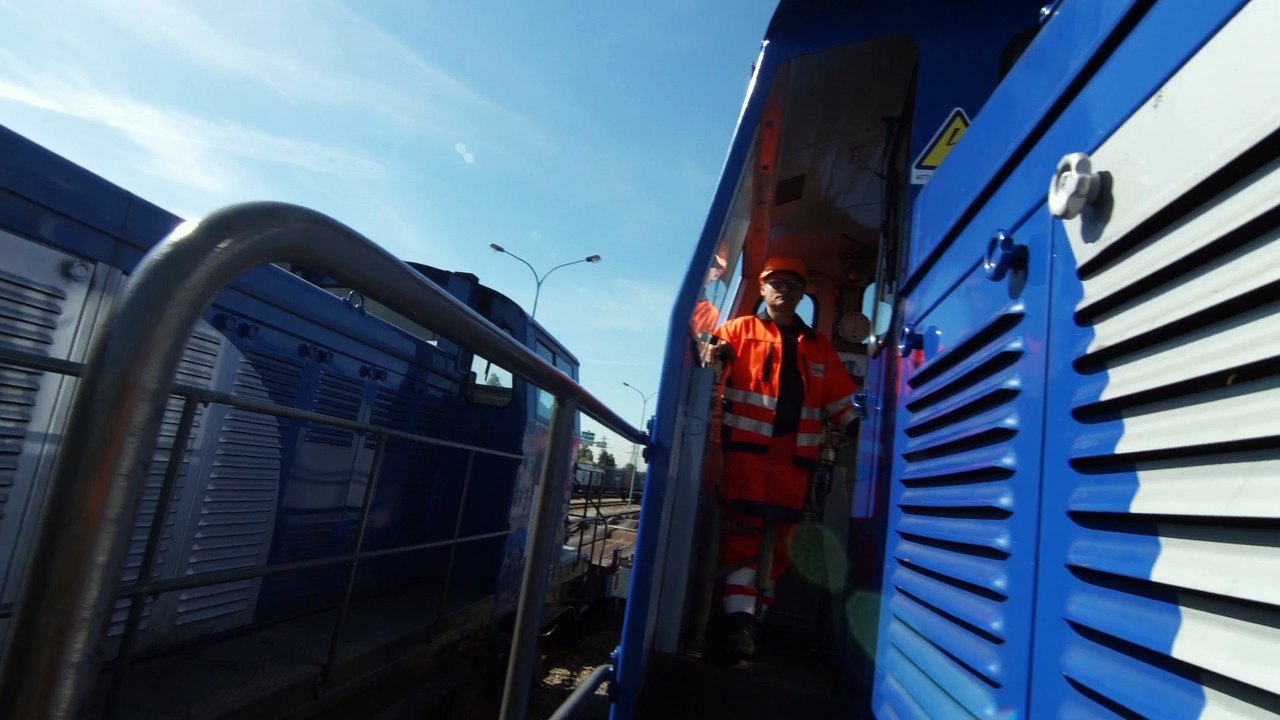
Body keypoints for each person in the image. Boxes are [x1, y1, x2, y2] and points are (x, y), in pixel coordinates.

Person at [703, 255, 859, 660]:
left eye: (792, 284)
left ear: (803, 292)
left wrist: (859, 426)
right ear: (762, 288)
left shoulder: (819, 346)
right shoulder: (737, 331)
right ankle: (738, 622)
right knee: (744, 532)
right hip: (748, 453)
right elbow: (710, 367)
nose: (783, 290)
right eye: (776, 283)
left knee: (782, 541)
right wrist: (713, 355)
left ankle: (753, 620)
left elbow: (841, 399)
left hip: (796, 458)